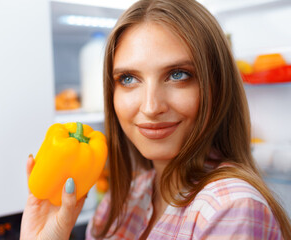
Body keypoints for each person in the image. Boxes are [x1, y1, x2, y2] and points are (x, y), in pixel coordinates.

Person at [20, 0, 291, 239]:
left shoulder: (230, 208)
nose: (151, 107)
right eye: (128, 79)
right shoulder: (123, 199)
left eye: (177, 75)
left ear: (216, 86)